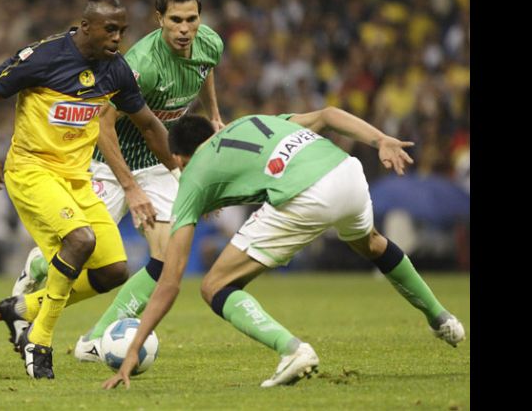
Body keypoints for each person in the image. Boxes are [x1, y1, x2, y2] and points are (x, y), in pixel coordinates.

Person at [103, 109, 466, 390]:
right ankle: (441, 318)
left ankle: (292, 350)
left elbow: (170, 280)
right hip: (347, 172)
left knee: (214, 286)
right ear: (214, 132)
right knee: (371, 243)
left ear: (179, 159)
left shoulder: (192, 175)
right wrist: (380, 139)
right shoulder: (252, 121)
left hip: (306, 194)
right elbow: (327, 115)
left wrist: (134, 345)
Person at [11, 0, 226, 363]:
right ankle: (37, 268)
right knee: (84, 252)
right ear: (159, 18)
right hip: (110, 163)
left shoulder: (209, 42)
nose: (184, 29)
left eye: (191, 19)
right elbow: (103, 123)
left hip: (158, 161)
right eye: (175, 20)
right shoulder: (140, 63)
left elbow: (204, 67)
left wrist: (213, 114)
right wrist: (131, 187)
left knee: (167, 258)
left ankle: (94, 340)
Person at [0, 0, 178, 379]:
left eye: (122, 31)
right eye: (110, 30)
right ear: (85, 27)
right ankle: (40, 339)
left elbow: (148, 124)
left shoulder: (115, 71)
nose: (117, 39)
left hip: (77, 177)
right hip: (32, 171)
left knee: (113, 271)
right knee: (80, 240)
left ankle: (25, 310)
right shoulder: (44, 57)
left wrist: (183, 169)